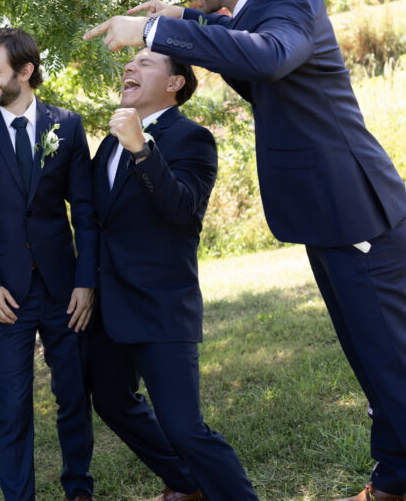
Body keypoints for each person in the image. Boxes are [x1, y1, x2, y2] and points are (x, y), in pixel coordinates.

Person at [85, 0, 406, 501]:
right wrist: (178, 15)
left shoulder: (292, 0)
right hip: (328, 220)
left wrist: (153, 32)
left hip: (359, 218)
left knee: (401, 372)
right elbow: (239, 38)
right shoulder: (255, 8)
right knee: (371, 363)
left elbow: (267, 54)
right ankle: (396, 479)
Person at [87, 48, 256, 501]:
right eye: (129, 63)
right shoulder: (107, 142)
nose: (129, 68)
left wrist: (142, 149)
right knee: (110, 400)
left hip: (160, 304)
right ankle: (187, 483)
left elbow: (183, 213)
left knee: (185, 428)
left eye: (144, 63)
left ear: (174, 83)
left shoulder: (191, 139)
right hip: (107, 303)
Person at [0, 28, 96, 501]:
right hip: (2, 297)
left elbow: (85, 212)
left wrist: (86, 282)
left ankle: (78, 489)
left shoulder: (66, 126)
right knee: (12, 409)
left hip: (63, 291)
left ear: (25, 71)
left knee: (73, 397)